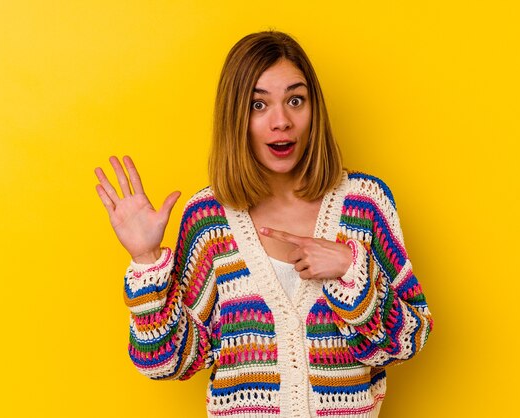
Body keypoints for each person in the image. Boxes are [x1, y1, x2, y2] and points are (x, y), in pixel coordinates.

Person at [94, 31, 432, 418]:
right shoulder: (209, 218)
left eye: (295, 100)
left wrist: (352, 271)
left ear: (313, 108)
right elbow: (169, 361)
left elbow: (408, 341)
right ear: (235, 116)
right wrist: (145, 259)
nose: (281, 121)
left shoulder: (364, 203)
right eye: (258, 104)